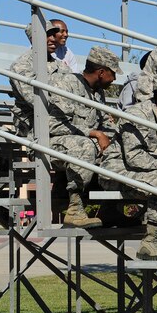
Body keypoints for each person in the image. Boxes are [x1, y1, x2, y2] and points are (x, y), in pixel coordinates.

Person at [100, 73, 157, 260]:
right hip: (117, 170)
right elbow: (134, 157)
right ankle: (150, 242)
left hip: (148, 171)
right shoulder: (137, 115)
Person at [50, 46, 122, 228]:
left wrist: (115, 136)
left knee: (121, 146)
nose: (114, 79)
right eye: (112, 74)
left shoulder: (98, 93)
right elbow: (55, 124)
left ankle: (110, 208)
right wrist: (96, 134)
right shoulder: (66, 84)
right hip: (54, 142)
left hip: (83, 143)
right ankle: (74, 208)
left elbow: (106, 121)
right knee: (85, 146)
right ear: (101, 72)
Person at [8, 19, 71, 139]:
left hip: (58, 117)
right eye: (47, 35)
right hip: (31, 121)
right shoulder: (22, 66)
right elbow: (36, 100)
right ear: (34, 39)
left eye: (54, 34)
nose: (53, 39)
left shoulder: (60, 66)